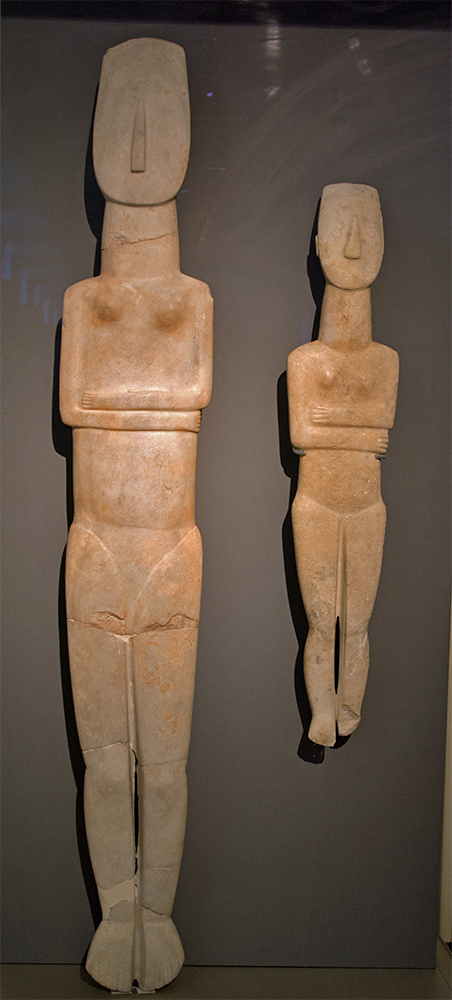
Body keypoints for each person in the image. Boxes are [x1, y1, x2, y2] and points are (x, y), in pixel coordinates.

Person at [60, 39, 213, 993]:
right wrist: (149, 404)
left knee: (163, 763)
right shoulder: (86, 300)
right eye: (125, 106)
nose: (144, 138)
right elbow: (81, 403)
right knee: (108, 764)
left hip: (170, 551)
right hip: (96, 546)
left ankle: (159, 911)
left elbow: (190, 395)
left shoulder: (192, 300)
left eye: (163, 106)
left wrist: (134, 402)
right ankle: (118, 911)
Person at [288, 183, 398, 749]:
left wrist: (336, 423)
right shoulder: (305, 361)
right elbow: (302, 435)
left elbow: (383, 433)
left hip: (366, 505)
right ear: (318, 243)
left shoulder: (385, 360)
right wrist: (355, 427)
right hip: (315, 503)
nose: (353, 246)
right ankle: (321, 710)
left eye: (366, 230)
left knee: (356, 624)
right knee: (321, 623)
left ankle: (349, 702)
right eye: (340, 230)